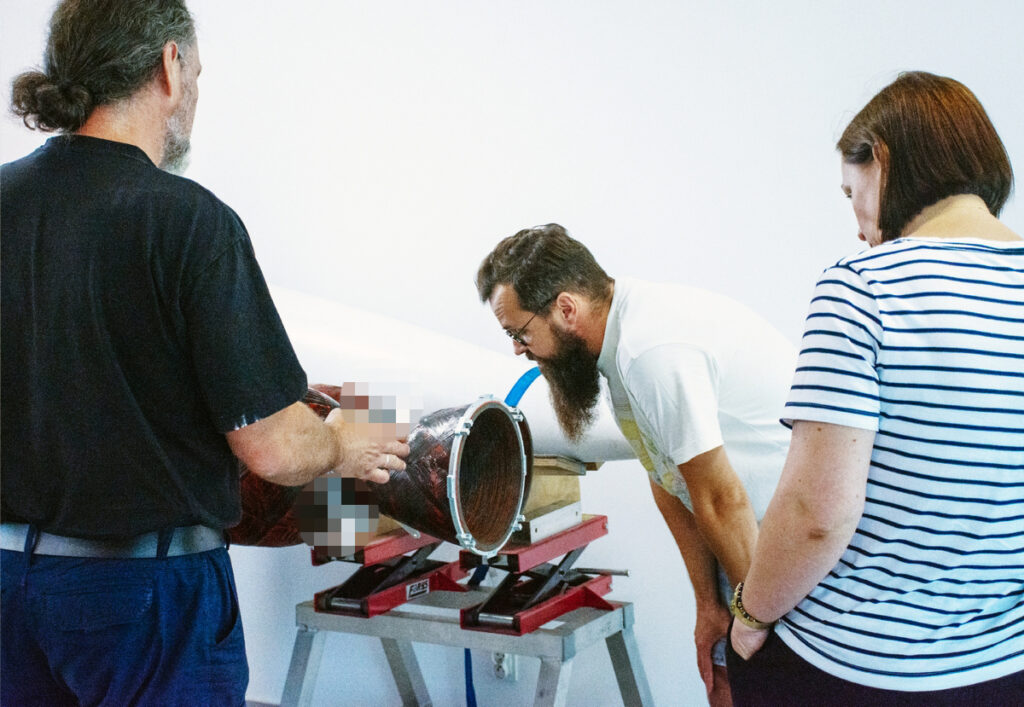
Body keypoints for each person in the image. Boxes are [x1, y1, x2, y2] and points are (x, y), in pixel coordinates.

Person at [0, 2, 409, 705]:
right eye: (196, 71)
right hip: (146, 600)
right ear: (169, 66)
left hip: (10, 586)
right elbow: (274, 448)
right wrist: (342, 437)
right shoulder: (189, 222)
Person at [727, 71, 1024, 704]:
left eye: (850, 192)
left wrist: (748, 617)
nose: (860, 226)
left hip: (860, 669)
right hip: (1002, 668)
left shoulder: (864, 284)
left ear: (882, 157)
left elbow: (816, 514)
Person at [476, 225, 797, 704]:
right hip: (749, 535)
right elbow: (668, 478)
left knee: (760, 687)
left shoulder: (650, 350)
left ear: (566, 309)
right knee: (724, 680)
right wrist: (708, 604)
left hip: (788, 544)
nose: (519, 350)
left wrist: (755, 623)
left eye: (520, 333)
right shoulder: (620, 343)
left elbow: (719, 497)